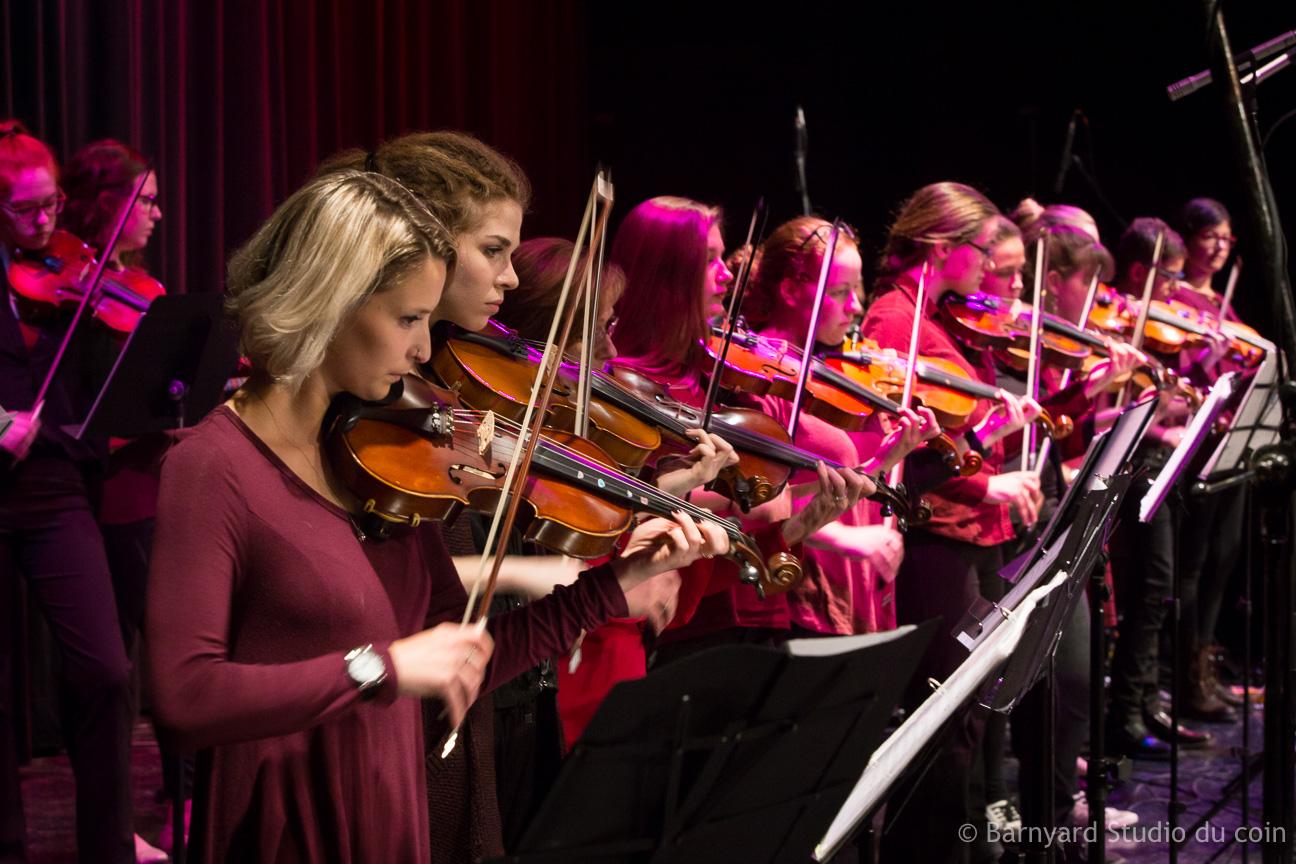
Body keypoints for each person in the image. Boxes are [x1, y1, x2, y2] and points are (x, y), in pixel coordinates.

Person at [144, 169, 726, 862]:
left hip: (389, 809)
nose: (425, 351)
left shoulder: (382, 465)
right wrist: (381, 668)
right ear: (328, 301)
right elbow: (182, 698)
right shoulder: (213, 465)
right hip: (286, 825)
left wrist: (617, 582)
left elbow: (465, 655)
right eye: (409, 320)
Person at [858, 181, 1041, 863]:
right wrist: (989, 477)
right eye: (981, 251)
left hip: (963, 536)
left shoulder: (932, 317)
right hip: (935, 543)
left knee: (963, 721)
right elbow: (906, 452)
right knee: (943, 723)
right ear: (942, 246)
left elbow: (947, 441)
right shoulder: (891, 323)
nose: (991, 267)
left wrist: (994, 426)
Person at [0, 119, 135, 863]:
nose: (47, 223)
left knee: (107, 671)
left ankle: (109, 847)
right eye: (26, 211)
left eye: (51, 205)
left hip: (55, 487)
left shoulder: (74, 270)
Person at [61, 139, 177, 859]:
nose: (159, 213)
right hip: (90, 493)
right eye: (148, 200)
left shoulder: (138, 289)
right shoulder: (64, 283)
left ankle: (181, 788)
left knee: (160, 642)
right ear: (109, 204)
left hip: (140, 487)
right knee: (114, 664)